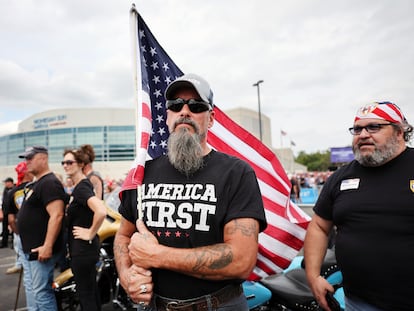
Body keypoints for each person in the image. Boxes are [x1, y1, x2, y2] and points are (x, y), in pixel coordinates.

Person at [114, 73, 267, 311]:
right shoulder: (143, 173)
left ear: (211, 118)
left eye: (196, 106)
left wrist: (157, 255)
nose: (184, 111)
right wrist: (126, 276)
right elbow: (123, 236)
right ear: (167, 116)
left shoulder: (236, 173)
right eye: (175, 105)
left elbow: (241, 260)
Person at [304, 101, 414, 311]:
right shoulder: (340, 177)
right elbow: (318, 226)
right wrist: (313, 276)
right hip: (358, 302)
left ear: (400, 132)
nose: (363, 134)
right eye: (357, 129)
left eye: (374, 127)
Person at [17, 145, 68, 311]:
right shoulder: (39, 183)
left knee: (42, 292)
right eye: (26, 158)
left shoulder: (49, 183)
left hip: (41, 250)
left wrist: (47, 246)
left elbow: (57, 215)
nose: (27, 162)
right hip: (32, 250)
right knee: (37, 292)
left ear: (44, 158)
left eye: (31, 158)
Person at [62, 148, 107, 311]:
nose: (65, 166)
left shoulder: (81, 188)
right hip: (83, 250)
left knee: (86, 295)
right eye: (63, 162)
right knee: (91, 293)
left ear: (81, 164)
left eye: (69, 162)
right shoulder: (80, 186)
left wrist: (90, 232)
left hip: (83, 251)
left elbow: (101, 211)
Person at [7, 161, 37, 309]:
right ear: (26, 172)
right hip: (36, 236)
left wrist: (19, 233)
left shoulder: (11, 192)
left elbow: (11, 219)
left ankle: (33, 308)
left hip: (21, 235)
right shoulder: (36, 187)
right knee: (39, 277)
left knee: (29, 278)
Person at [1, 176, 15, 248]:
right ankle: (4, 243)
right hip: (5, 211)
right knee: (4, 228)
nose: (5, 184)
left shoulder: (14, 189)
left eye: (6, 182)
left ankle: (13, 243)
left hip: (12, 212)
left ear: (10, 182)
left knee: (13, 227)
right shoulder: (5, 190)